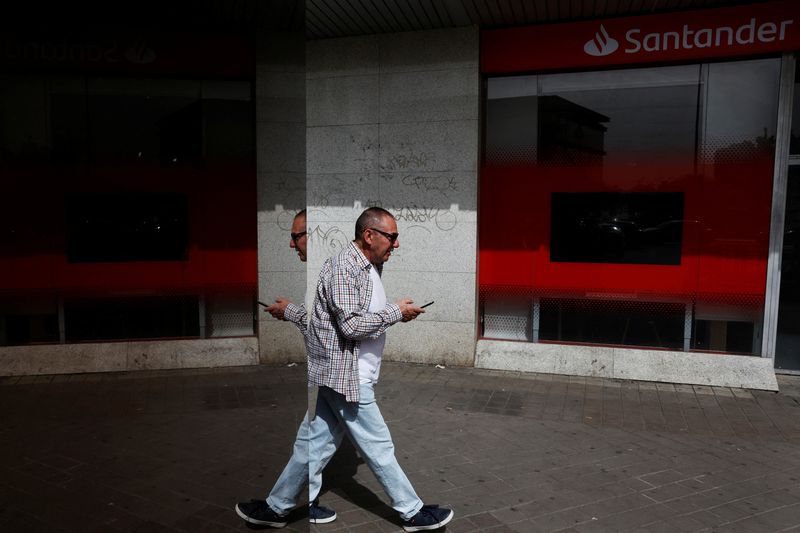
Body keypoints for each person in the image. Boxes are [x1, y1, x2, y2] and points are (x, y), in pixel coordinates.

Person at [236, 208, 339, 527]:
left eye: (296, 236)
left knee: (376, 451)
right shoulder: (323, 272)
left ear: (314, 236)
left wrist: (290, 312)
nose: (292, 245)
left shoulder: (328, 273)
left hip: (341, 377)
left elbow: (329, 332)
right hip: (334, 375)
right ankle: (289, 503)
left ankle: (411, 509)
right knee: (312, 440)